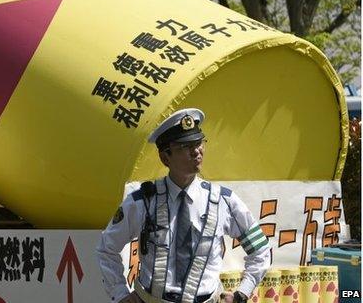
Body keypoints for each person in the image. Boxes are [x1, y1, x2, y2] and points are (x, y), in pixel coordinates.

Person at [96, 108, 271, 303]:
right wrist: (120, 294)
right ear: (165, 158)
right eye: (185, 147)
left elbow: (260, 249)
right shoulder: (142, 202)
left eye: (199, 143)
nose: (196, 151)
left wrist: (241, 293)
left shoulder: (224, 200)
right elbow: (107, 249)